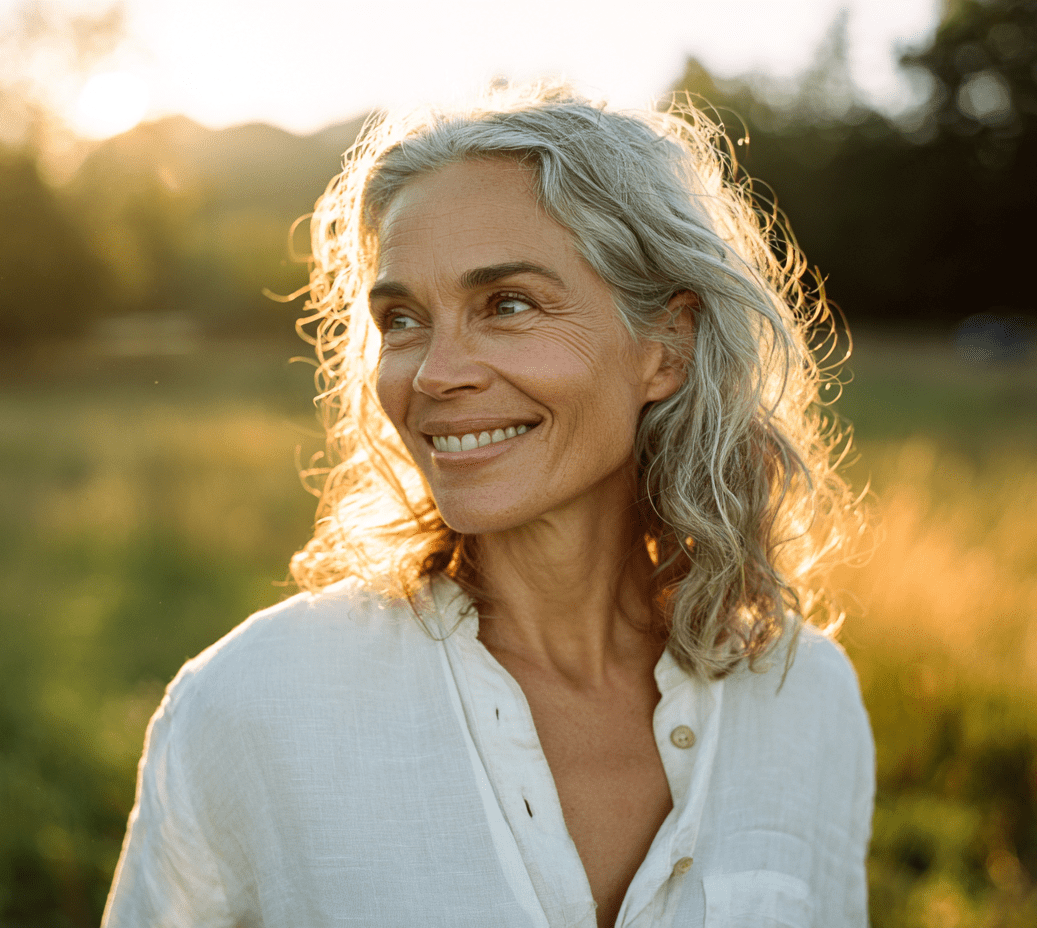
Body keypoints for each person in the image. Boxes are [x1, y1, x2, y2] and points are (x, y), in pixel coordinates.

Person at [102, 83, 874, 928]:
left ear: (666, 346)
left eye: (506, 305)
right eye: (402, 319)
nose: (435, 373)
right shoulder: (256, 706)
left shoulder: (806, 702)